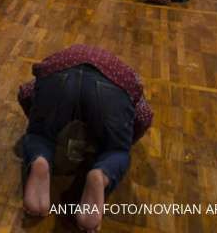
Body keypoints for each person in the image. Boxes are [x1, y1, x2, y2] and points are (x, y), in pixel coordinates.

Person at [19, 44, 152, 231]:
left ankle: (40, 160)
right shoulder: (127, 74)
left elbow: (25, 93)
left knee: (40, 136)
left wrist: (38, 122)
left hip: (58, 77)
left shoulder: (61, 56)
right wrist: (124, 140)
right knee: (116, 150)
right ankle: (100, 174)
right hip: (112, 89)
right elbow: (144, 117)